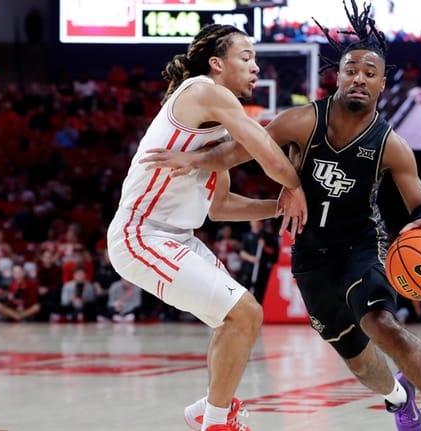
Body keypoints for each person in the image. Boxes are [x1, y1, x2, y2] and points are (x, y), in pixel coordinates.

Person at [140, 3, 421, 430]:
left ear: (381, 84)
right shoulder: (301, 121)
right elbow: (234, 152)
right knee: (360, 362)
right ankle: (399, 398)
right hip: (310, 255)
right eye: (350, 71)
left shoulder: (392, 145)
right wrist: (193, 160)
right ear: (338, 77)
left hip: (362, 244)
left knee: (382, 325)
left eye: (369, 73)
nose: (358, 78)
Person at [106, 23, 307, 431]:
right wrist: (297, 186)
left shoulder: (213, 128)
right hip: (141, 234)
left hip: (176, 237)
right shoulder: (203, 90)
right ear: (217, 64)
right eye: (246, 58)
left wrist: (281, 206)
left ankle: (209, 412)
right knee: (245, 313)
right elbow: (264, 149)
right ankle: (216, 423)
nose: (256, 67)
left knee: (237, 319)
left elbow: (221, 207)